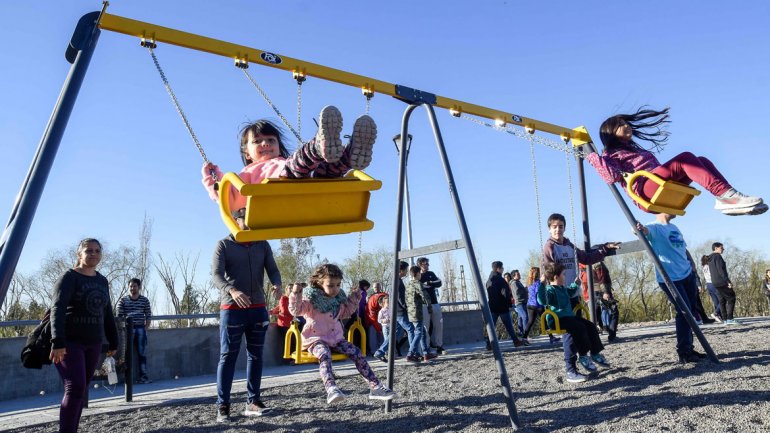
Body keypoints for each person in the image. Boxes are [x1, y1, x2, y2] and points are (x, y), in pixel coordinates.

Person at [587, 107, 765, 216]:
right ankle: (726, 196)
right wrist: (592, 156)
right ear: (610, 132)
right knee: (686, 158)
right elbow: (611, 177)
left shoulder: (634, 149)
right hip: (644, 191)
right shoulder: (609, 155)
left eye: (626, 123)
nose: (627, 126)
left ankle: (726, 197)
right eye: (620, 125)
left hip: (658, 185)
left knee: (700, 160)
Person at [202, 106, 377, 213]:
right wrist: (214, 177)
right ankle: (318, 146)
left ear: (278, 145)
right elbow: (227, 197)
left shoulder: (283, 160)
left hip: (311, 189)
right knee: (296, 165)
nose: (265, 143)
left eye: (271, 140)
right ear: (247, 153)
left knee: (326, 170)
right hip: (283, 186)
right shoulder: (247, 174)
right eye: (257, 141)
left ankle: (350, 154)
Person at [212, 208, 282, 422]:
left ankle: (253, 401)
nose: (251, 224)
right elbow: (216, 275)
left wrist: (277, 283)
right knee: (228, 356)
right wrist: (232, 291)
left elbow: (273, 269)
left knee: (256, 356)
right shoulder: (224, 245)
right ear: (235, 221)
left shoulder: (263, 244)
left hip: (257, 307)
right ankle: (223, 405)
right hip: (232, 310)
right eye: (246, 220)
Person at [288, 264, 395, 404]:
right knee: (324, 354)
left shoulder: (338, 300)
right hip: (316, 339)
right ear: (319, 283)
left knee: (356, 352)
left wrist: (354, 298)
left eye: (338, 285)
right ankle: (331, 388)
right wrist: (296, 294)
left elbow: (346, 313)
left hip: (336, 338)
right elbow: (296, 311)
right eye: (331, 285)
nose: (335, 289)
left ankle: (375, 386)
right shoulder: (310, 300)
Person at [50, 238, 119, 433]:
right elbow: (58, 309)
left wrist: (113, 340)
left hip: (93, 343)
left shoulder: (102, 280)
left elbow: (107, 313)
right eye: (89, 251)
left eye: (97, 251)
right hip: (69, 343)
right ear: (79, 254)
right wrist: (58, 341)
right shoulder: (69, 277)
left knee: (81, 391)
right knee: (75, 387)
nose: (94, 254)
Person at [635, 213, 708, 364]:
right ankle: (684, 352)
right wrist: (638, 228)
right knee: (684, 312)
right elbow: (640, 231)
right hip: (670, 278)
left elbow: (684, 248)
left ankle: (689, 347)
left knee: (691, 311)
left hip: (687, 274)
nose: (675, 209)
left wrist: (692, 264)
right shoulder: (655, 228)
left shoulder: (674, 227)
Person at [538, 262, 609, 383]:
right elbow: (542, 300)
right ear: (556, 277)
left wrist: (576, 284)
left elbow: (570, 292)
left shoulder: (562, 288)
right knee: (579, 327)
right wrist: (542, 284)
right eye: (563, 274)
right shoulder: (549, 290)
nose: (565, 276)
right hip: (557, 320)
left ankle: (595, 353)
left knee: (590, 326)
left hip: (569, 318)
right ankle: (583, 355)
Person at [542, 213, 620, 315]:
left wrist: (605, 248)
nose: (558, 230)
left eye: (561, 227)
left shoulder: (569, 246)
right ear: (549, 229)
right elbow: (548, 272)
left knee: (581, 325)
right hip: (559, 296)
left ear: (564, 228)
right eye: (554, 227)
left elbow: (586, 258)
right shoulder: (549, 247)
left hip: (573, 293)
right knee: (569, 327)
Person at [373, 261, 415, 362]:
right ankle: (412, 353)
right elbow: (400, 298)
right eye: (406, 270)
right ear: (401, 270)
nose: (406, 272)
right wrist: (407, 307)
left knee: (394, 334)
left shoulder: (394, 280)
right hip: (400, 312)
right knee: (411, 329)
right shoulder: (398, 282)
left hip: (395, 311)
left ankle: (380, 352)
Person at [116, 277, 153, 384]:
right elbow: (120, 316)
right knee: (126, 354)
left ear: (139, 287)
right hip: (128, 330)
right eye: (131, 286)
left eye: (135, 286)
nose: (132, 288)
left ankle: (143, 377)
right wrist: (124, 330)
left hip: (140, 328)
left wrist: (146, 328)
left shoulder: (144, 300)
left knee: (142, 354)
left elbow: (148, 314)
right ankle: (126, 379)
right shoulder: (123, 301)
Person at [485, 261, 524, 349]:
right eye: (502, 268)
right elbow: (505, 293)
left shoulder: (489, 280)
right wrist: (509, 304)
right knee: (508, 325)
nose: (503, 270)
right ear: (498, 268)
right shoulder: (500, 280)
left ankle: (488, 342)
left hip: (492, 306)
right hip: (502, 306)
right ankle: (515, 341)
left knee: (491, 326)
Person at [521, 267, 560, 344]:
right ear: (537, 274)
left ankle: (524, 338)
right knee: (545, 321)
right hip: (538, 305)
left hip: (530, 304)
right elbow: (538, 293)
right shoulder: (538, 283)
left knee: (530, 322)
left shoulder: (529, 282)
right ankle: (551, 337)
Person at [406, 265, 435, 362]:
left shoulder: (408, 284)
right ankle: (410, 353)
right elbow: (426, 297)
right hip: (417, 312)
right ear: (418, 274)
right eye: (420, 274)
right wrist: (430, 308)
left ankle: (426, 353)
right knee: (419, 333)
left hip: (410, 312)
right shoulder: (418, 284)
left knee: (422, 332)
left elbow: (406, 299)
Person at [417, 257, 445, 354]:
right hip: (424, 305)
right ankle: (426, 348)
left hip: (434, 303)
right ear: (420, 265)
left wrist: (430, 283)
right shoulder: (418, 276)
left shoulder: (431, 274)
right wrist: (425, 285)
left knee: (439, 325)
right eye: (425, 264)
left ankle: (439, 346)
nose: (427, 266)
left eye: (428, 264)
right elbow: (419, 286)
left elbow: (439, 282)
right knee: (426, 327)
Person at [708, 242, 739, 325]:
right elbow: (720, 270)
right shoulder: (717, 256)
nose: (723, 249)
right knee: (731, 298)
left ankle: (725, 319)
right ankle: (730, 318)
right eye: (722, 248)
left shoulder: (710, 258)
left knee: (722, 301)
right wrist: (728, 281)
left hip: (715, 282)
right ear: (716, 248)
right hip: (721, 281)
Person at [269, 283, 296, 364]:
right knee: (289, 342)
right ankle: (290, 359)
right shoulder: (284, 298)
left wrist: (272, 311)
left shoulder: (293, 299)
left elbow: (279, 308)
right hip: (284, 324)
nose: (291, 290)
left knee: (294, 341)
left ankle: (293, 358)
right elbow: (284, 310)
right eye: (289, 288)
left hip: (292, 324)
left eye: (292, 288)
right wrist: (296, 312)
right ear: (286, 290)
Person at [364, 282, 387, 356]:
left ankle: (383, 351)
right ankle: (374, 351)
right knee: (373, 334)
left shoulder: (384, 296)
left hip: (381, 319)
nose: (376, 289)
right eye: (375, 287)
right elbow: (371, 314)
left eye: (377, 287)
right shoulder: (370, 298)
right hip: (372, 320)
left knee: (382, 335)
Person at [700, 255, 722, 322]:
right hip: (713, 283)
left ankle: (719, 315)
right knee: (722, 299)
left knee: (716, 301)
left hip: (708, 284)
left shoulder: (703, 267)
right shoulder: (710, 266)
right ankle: (716, 313)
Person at [510, 270, 529, 342]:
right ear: (514, 276)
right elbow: (517, 292)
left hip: (523, 302)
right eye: (518, 274)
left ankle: (521, 333)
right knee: (525, 317)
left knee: (520, 318)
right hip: (519, 303)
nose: (519, 275)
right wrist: (525, 290)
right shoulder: (514, 283)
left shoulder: (518, 282)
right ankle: (525, 335)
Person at [376, 295, 391, 362]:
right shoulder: (381, 311)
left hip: (390, 326)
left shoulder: (390, 310)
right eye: (387, 302)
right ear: (383, 304)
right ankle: (386, 353)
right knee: (386, 340)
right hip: (385, 326)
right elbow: (379, 320)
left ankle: (390, 353)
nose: (389, 304)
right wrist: (384, 320)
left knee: (390, 340)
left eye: (389, 302)